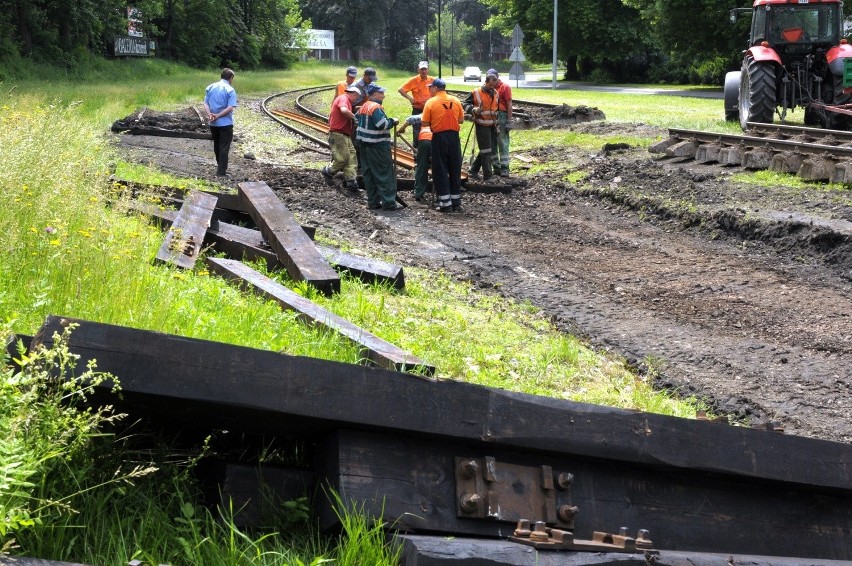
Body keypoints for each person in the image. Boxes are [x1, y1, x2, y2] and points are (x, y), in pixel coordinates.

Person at [421, 78, 465, 213]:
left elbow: (424, 123)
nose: (429, 90)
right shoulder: (456, 100)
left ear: (435, 88)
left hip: (439, 137)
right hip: (454, 137)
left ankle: (445, 204)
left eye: (430, 88)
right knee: (454, 168)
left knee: (440, 169)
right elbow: (461, 120)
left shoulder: (431, 102)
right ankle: (456, 202)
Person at [355, 86, 401, 211]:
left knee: (369, 174)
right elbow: (382, 124)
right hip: (377, 146)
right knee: (384, 173)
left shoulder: (364, 106)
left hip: (364, 145)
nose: (383, 96)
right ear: (374, 94)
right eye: (381, 93)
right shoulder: (375, 107)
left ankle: (373, 202)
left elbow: (356, 119)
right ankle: (389, 203)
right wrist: (393, 121)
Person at [323, 85, 360, 191]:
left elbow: (348, 109)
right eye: (356, 98)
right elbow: (344, 110)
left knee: (352, 158)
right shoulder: (344, 99)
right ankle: (328, 171)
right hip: (338, 134)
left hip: (345, 134)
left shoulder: (347, 100)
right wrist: (354, 118)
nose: (356, 100)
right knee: (342, 158)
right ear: (353, 94)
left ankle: (351, 181)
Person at [463, 73, 499, 181]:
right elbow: (464, 104)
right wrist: (473, 110)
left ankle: (473, 170)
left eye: (494, 85)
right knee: (486, 150)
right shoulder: (476, 92)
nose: (492, 88)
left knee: (486, 149)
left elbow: (496, 109)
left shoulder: (496, 93)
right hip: (482, 124)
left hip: (492, 125)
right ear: (486, 82)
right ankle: (488, 176)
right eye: (491, 85)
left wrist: (497, 125)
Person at [203, 68, 237, 177]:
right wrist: (218, 116)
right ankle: (221, 172)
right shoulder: (230, 90)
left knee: (217, 145)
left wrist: (210, 115)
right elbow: (230, 107)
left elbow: (205, 103)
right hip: (225, 123)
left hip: (213, 123)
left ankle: (220, 167)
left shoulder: (210, 87)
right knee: (224, 147)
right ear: (231, 78)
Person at [397, 61, 434, 149]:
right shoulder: (414, 80)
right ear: (418, 70)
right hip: (418, 109)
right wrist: (410, 98)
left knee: (430, 130)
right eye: (422, 69)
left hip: (430, 109)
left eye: (425, 69)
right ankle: (416, 151)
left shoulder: (432, 80)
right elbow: (401, 90)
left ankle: (430, 150)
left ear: (428, 70)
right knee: (417, 132)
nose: (423, 71)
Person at [396, 114, 432, 203]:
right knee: (441, 166)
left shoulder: (425, 115)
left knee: (421, 167)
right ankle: (442, 194)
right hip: (440, 140)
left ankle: (419, 194)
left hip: (424, 140)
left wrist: (401, 129)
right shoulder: (442, 114)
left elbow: (411, 119)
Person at [487, 68, 513, 176]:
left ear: (498, 78)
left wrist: (509, 120)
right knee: (492, 143)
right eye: (490, 79)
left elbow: (509, 104)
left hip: (501, 115)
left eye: (494, 78)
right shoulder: (488, 88)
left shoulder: (504, 87)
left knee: (502, 142)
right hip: (491, 115)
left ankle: (504, 168)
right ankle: (496, 168)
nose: (492, 81)